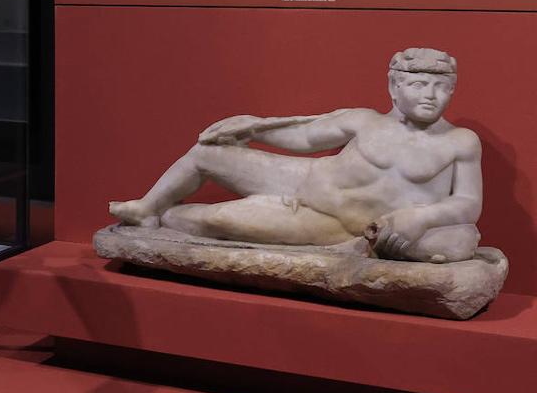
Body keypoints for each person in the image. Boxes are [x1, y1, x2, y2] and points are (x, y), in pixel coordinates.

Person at [109, 48, 482, 264]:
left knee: (215, 219)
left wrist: (421, 217)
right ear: (394, 87)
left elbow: (467, 203)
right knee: (209, 153)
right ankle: (146, 208)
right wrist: (253, 127)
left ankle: (168, 218)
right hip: (304, 178)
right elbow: (305, 136)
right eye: (418, 84)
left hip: (332, 224)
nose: (430, 95)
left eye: (441, 87)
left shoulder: (460, 142)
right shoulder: (364, 120)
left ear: (452, 91)